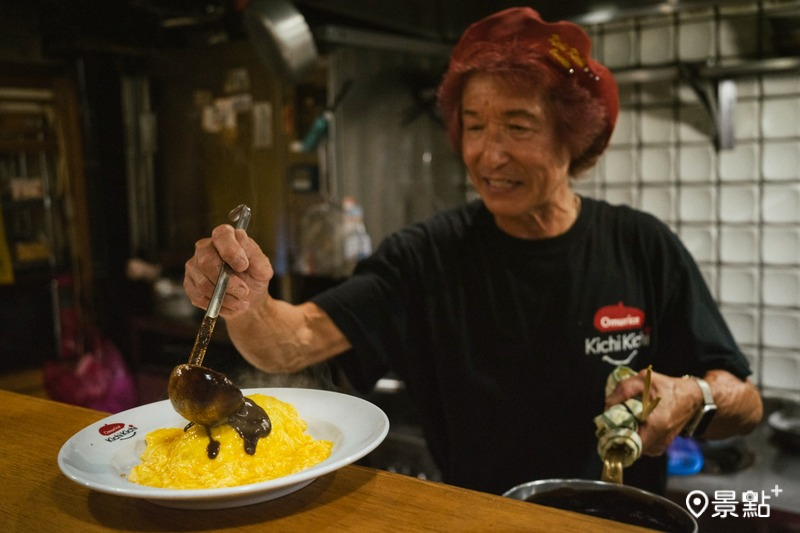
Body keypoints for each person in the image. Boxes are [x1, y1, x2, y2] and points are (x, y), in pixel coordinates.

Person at [184, 7, 762, 496]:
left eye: (518, 126)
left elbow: (747, 404)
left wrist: (697, 396)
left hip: (614, 522)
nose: (489, 154)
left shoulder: (641, 245)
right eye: (475, 126)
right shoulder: (427, 256)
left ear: (573, 138)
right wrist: (247, 300)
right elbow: (294, 342)